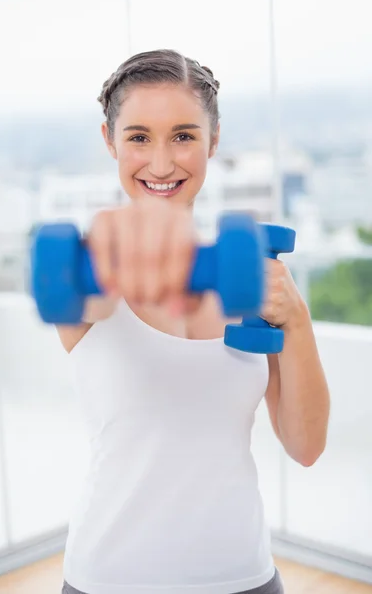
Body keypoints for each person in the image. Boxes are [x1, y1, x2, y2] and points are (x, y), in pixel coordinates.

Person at [59, 49, 330, 594]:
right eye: (138, 137)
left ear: (214, 140)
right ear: (110, 141)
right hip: (108, 580)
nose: (161, 163)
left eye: (183, 136)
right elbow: (103, 262)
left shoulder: (254, 281)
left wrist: (295, 318)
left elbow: (305, 446)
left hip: (245, 577)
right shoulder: (93, 271)